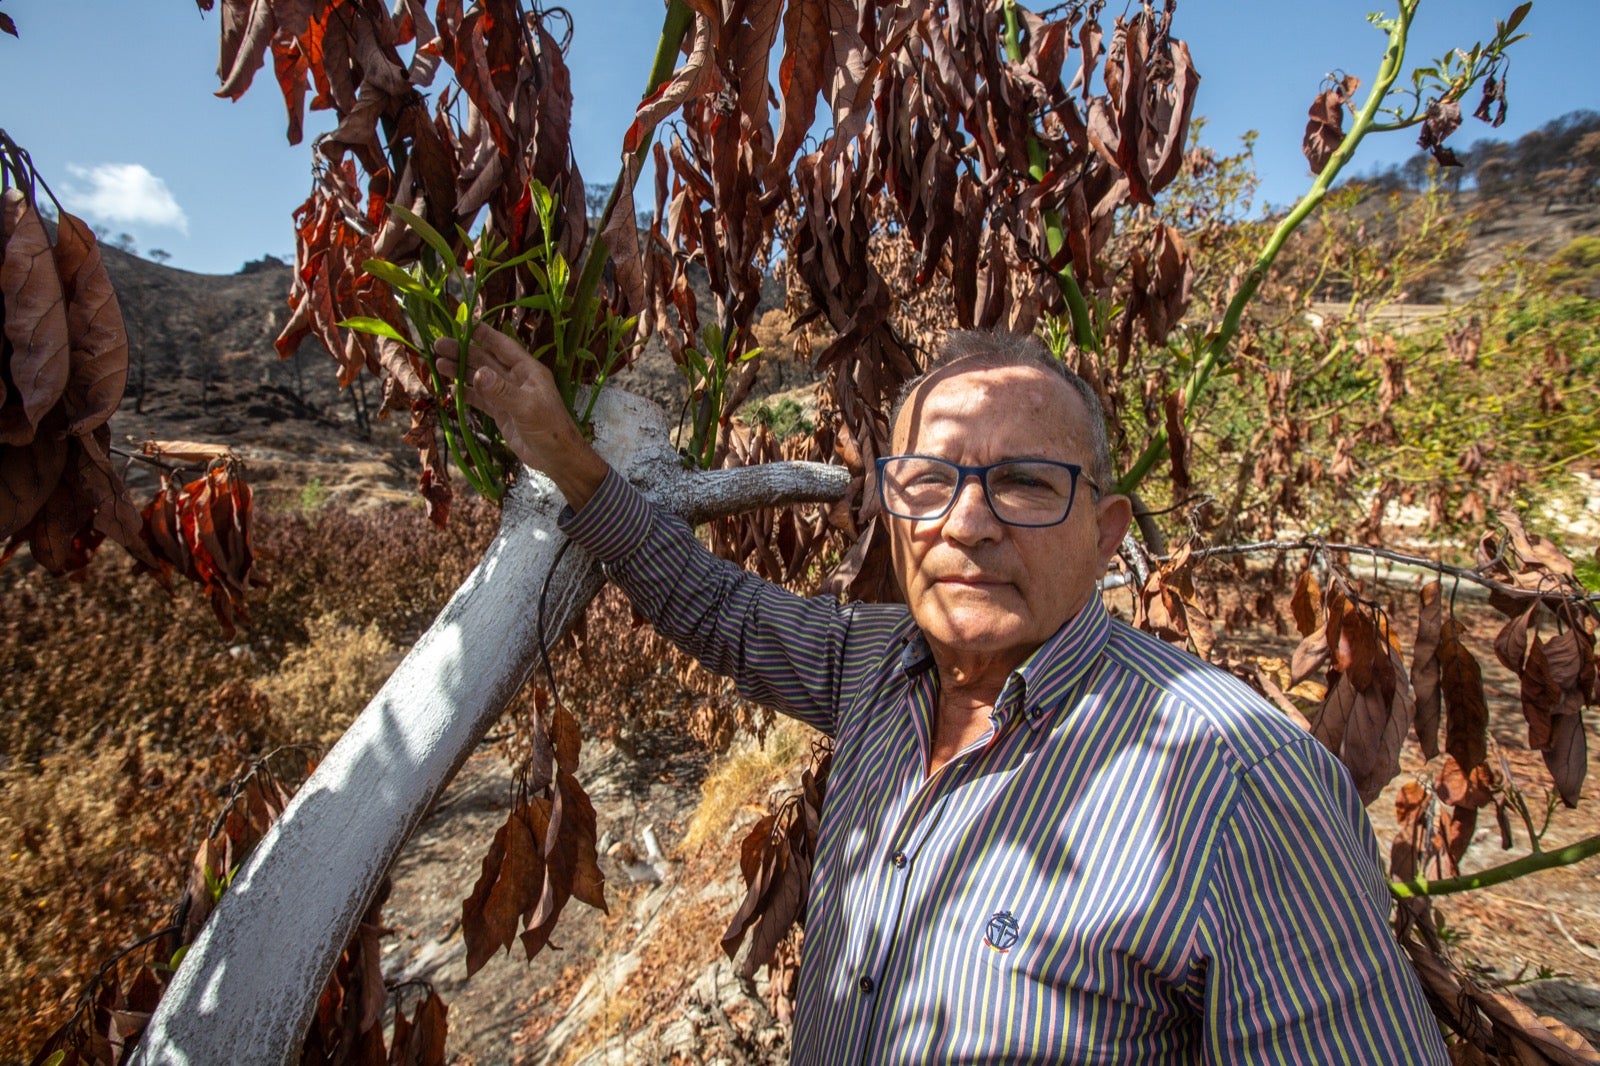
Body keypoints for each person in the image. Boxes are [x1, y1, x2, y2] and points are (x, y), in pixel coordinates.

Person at [437, 327, 1447, 1064]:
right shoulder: (875, 664)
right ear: (892, 510)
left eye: (1024, 483)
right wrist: (564, 455)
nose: (966, 525)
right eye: (928, 481)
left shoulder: (1236, 783)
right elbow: (721, 610)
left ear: (1105, 535)